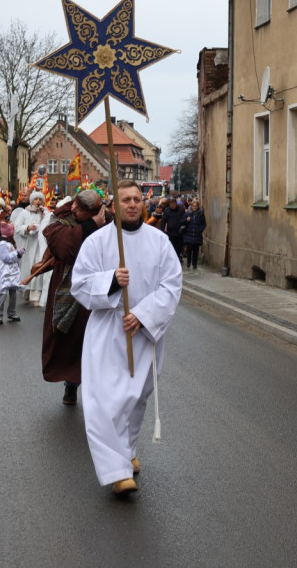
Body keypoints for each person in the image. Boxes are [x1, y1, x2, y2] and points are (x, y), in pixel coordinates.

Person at [71, 180, 183, 495]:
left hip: (143, 333)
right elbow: (79, 283)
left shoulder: (160, 242)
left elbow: (172, 285)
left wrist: (145, 314)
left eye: (136, 199)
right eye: (125, 200)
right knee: (106, 401)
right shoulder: (98, 242)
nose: (132, 204)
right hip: (108, 331)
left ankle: (127, 449)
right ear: (113, 205)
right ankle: (116, 471)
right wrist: (110, 281)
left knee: (136, 397)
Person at [40, 189, 108, 406]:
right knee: (68, 337)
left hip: (96, 286)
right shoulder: (59, 219)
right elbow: (64, 248)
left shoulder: (108, 223)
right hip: (67, 287)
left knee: (93, 339)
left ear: (93, 212)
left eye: (79, 208)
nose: (72, 208)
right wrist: (90, 227)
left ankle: (95, 390)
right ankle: (71, 385)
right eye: (74, 204)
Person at [14, 190, 49, 307]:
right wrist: (28, 228)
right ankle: (27, 290)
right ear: (31, 200)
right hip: (28, 245)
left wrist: (44, 218)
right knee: (28, 268)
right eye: (36, 199)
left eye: (40, 199)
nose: (38, 202)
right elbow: (17, 227)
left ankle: (36, 295)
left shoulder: (45, 212)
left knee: (38, 267)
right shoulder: (24, 213)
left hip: (40, 245)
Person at [0, 221, 24, 325]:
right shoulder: (2, 244)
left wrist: (17, 255)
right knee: (2, 293)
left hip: (11, 272)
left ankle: (11, 313)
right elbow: (6, 258)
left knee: (13, 292)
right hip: (4, 272)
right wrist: (18, 253)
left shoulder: (8, 243)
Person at [181, 198, 206, 270]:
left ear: (198, 206)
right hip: (188, 234)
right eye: (193, 206)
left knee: (195, 250)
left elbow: (204, 224)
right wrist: (186, 220)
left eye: (196, 206)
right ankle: (188, 262)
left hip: (197, 235)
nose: (194, 207)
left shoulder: (200, 214)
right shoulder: (188, 213)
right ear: (191, 206)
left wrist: (199, 230)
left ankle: (194, 264)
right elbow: (182, 222)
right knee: (189, 250)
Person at [160, 194, 186, 258]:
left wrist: (184, 228)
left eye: (174, 204)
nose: (173, 206)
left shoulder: (181, 210)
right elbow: (163, 221)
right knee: (172, 246)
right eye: (171, 204)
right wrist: (162, 230)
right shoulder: (167, 210)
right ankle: (173, 257)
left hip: (179, 232)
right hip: (170, 232)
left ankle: (178, 256)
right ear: (170, 204)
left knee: (179, 246)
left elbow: (184, 219)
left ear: (176, 204)